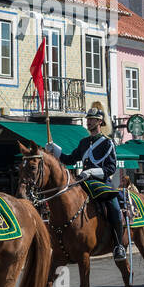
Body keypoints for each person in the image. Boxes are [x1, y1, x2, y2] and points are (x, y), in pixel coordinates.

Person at [48, 102, 128, 259]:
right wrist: (55, 150)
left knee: (114, 207)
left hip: (102, 183)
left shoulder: (108, 142)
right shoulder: (84, 142)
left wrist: (91, 172)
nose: (89, 122)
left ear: (99, 122)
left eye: (92, 119)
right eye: (88, 119)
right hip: (83, 182)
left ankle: (118, 245)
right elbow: (70, 159)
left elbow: (110, 169)